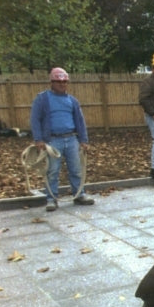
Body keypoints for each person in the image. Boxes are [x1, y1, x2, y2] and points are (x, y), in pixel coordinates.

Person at [29, 67, 94, 211]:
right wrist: (38, 139)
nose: (62, 84)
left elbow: (80, 121)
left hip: (71, 139)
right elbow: (35, 119)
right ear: (52, 82)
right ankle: (51, 199)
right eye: (58, 82)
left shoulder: (72, 101)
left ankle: (79, 195)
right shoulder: (43, 99)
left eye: (64, 82)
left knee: (76, 169)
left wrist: (84, 140)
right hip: (52, 141)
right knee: (52, 171)